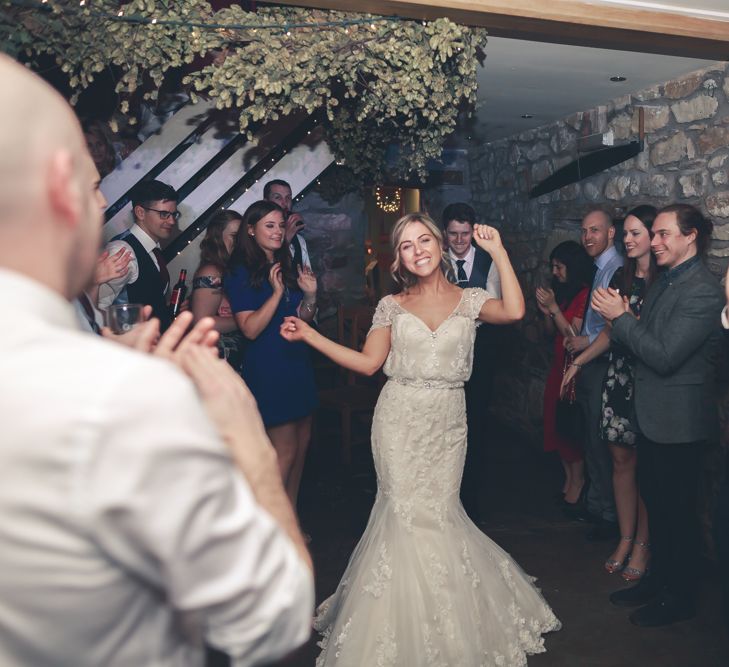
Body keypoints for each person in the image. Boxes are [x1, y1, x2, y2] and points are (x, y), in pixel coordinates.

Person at [0, 54, 313, 665]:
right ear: (63, 188)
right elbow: (274, 614)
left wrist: (99, 349)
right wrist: (242, 434)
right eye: (96, 186)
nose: (102, 203)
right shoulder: (118, 399)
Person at [281, 212, 560, 665]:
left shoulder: (471, 299)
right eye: (407, 245)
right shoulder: (391, 306)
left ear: (440, 245)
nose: (418, 250)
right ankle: (397, 624)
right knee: (404, 514)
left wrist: (500, 253)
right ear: (400, 259)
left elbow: (514, 310)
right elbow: (369, 364)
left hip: (448, 421)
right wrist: (311, 334)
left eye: (424, 239)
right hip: (398, 420)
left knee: (441, 512)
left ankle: (448, 616)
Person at [593, 204, 723, 627]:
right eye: (656, 233)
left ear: (691, 238)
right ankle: (657, 581)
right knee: (659, 507)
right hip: (652, 415)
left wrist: (620, 319)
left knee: (678, 514)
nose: (656, 241)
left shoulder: (702, 290)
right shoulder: (667, 280)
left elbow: (665, 356)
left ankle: (679, 597)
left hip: (679, 421)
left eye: (665, 234)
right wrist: (625, 320)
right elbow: (643, 341)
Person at [563, 206, 658, 581]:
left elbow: (650, 337)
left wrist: (622, 316)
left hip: (648, 377)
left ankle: (643, 544)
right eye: (627, 235)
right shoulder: (623, 274)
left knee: (646, 467)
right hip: (619, 375)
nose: (629, 241)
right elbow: (609, 331)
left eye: (637, 234)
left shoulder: (663, 281)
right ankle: (625, 536)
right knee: (620, 462)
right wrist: (580, 361)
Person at [225, 200, 318, 508]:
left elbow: (301, 319)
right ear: (250, 230)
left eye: (280, 225)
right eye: (270, 225)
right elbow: (250, 329)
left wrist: (310, 295)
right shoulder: (240, 271)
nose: (278, 231)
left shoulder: (284, 264)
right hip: (269, 365)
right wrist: (276, 294)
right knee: (284, 450)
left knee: (302, 446)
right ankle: (267, 527)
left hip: (297, 360)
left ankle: (289, 519)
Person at [565, 207, 623, 539]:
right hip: (589, 358)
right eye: (584, 231)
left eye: (595, 231)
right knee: (591, 436)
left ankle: (606, 514)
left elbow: (611, 329)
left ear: (610, 233)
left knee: (602, 440)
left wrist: (585, 345)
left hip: (601, 362)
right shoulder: (600, 267)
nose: (588, 237)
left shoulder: (615, 269)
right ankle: (598, 506)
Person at [442, 202, 502, 522]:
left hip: (481, 350)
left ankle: (470, 498)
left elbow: (493, 304)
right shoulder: (437, 263)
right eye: (454, 234)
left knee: (474, 423)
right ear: (445, 233)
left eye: (465, 233)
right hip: (446, 354)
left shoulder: (488, 259)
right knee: (446, 422)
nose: (460, 240)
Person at [535, 240, 593, 506]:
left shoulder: (583, 295)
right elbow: (550, 334)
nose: (555, 272)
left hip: (574, 369)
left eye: (559, 267)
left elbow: (573, 336)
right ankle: (568, 481)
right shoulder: (562, 292)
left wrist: (555, 309)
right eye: (553, 267)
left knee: (570, 428)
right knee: (555, 424)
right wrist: (546, 312)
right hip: (558, 366)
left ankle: (578, 484)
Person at [98, 179, 181, 331]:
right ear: (140, 212)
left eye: (174, 214)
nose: (172, 221)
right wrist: (134, 329)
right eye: (164, 214)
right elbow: (97, 307)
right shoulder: (123, 251)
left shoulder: (153, 249)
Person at [191, 209, 245, 370]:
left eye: (241, 237)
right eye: (234, 236)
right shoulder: (211, 272)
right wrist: (244, 320)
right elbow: (202, 322)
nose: (240, 242)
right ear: (217, 238)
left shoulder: (233, 268)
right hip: (218, 359)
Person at [264, 179, 311, 272]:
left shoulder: (299, 240)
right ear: (266, 202)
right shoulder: (260, 237)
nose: (285, 203)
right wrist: (286, 239)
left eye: (288, 198)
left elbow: (308, 277)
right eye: (278, 197)